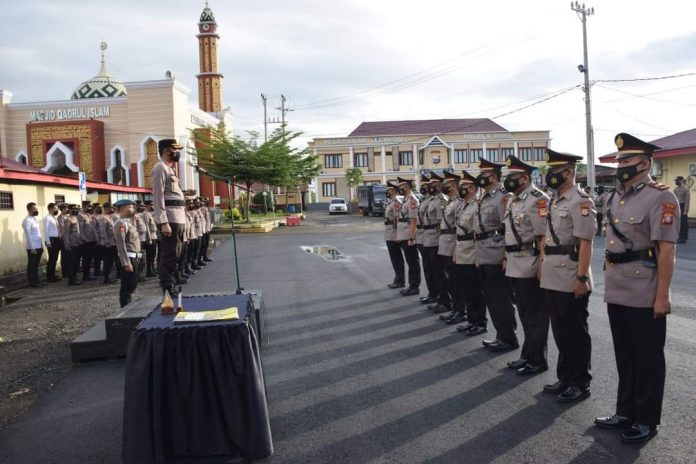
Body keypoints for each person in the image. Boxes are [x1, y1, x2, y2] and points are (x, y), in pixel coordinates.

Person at [594, 133, 679, 444]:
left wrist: (663, 295)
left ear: (645, 163)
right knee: (625, 356)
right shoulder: (616, 196)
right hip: (618, 287)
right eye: (619, 160)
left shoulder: (661, 197)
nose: (621, 165)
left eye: (627, 160)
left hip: (645, 291)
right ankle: (625, 411)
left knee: (648, 359)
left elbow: (666, 251)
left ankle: (646, 419)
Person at [540, 149, 596, 403]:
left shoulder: (580, 200)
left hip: (571, 273)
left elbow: (586, 243)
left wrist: (581, 278)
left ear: (570, 172)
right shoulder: (555, 199)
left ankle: (579, 381)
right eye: (549, 172)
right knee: (560, 330)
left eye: (555, 172)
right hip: (552, 272)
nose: (550, 176)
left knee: (575, 331)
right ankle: (565, 376)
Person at [502, 155, 550, 375]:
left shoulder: (537, 199)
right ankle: (527, 354)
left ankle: (538, 359)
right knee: (524, 313)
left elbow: (543, 237)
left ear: (524, 178)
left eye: (512, 177)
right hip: (514, 263)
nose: (508, 180)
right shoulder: (514, 199)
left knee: (536, 315)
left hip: (530, 262)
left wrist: (542, 264)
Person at [475, 158, 518, 353]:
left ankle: (509, 337)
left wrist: (506, 256)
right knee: (491, 298)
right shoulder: (485, 197)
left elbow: (507, 228)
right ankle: (501, 335)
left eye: (483, 175)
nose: (480, 178)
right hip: (484, 252)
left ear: (492, 176)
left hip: (496, 253)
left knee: (501, 298)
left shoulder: (502, 197)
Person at [453, 171, 487, 336]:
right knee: (467, 289)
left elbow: (478, 232)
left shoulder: (477, 205)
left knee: (475, 290)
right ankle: (471, 320)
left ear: (473, 189)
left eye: (464, 187)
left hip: (472, 252)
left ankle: (480, 322)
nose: (461, 190)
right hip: (461, 250)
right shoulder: (462, 205)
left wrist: (479, 256)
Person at [152, 138, 187, 295]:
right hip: (170, 218)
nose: (177, 153)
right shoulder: (160, 168)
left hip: (178, 217)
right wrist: (163, 221)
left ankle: (172, 281)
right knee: (169, 254)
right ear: (167, 151)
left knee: (176, 253)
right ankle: (167, 286)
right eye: (175, 150)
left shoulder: (170, 168)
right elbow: (158, 196)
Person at [437, 172, 463, 324]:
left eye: (448, 183)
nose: (445, 186)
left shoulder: (459, 202)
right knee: (451, 279)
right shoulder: (450, 201)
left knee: (456, 280)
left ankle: (460, 310)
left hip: (453, 242)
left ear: (454, 185)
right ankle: (455, 308)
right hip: (446, 242)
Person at [113, 199, 142, 308]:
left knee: (132, 285)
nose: (133, 209)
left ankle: (128, 307)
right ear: (122, 209)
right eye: (130, 207)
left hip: (134, 257)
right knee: (127, 287)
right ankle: (125, 309)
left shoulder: (128, 222)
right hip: (128, 259)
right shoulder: (121, 223)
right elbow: (120, 244)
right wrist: (126, 263)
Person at [395, 177, 420, 296]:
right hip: (404, 235)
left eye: (402, 186)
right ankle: (411, 285)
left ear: (407, 187)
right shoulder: (405, 200)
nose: (400, 188)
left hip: (409, 236)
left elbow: (414, 220)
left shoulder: (412, 200)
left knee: (413, 262)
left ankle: (415, 286)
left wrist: (411, 237)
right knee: (410, 262)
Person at [423, 173, 445, 308]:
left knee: (440, 273)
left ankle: (444, 301)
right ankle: (439, 298)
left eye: (434, 185)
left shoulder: (441, 200)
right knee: (434, 271)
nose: (431, 187)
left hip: (437, 239)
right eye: (430, 185)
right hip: (429, 238)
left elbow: (442, 223)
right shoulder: (432, 200)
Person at [416, 175, 437, 303]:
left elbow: (440, 223)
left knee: (434, 270)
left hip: (432, 237)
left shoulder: (434, 200)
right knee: (428, 268)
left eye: (426, 185)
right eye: (422, 185)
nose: (424, 188)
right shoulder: (424, 200)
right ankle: (432, 293)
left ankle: (437, 295)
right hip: (424, 236)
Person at [385, 181, 405, 288]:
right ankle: (397, 278)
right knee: (394, 258)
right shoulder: (391, 202)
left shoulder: (396, 202)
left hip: (394, 233)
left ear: (393, 190)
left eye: (388, 190)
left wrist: (398, 234)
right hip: (389, 232)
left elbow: (398, 218)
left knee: (397, 258)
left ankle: (400, 280)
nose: (387, 192)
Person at [23, 202, 44, 288]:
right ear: (29, 209)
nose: (36, 210)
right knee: (32, 265)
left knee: (36, 265)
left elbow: (37, 233)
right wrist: (32, 248)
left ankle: (37, 281)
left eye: (36, 208)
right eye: (34, 209)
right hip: (32, 247)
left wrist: (41, 245)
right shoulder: (26, 220)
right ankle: (33, 282)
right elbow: (28, 235)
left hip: (38, 245)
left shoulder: (34, 219)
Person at [97, 203, 117, 284]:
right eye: (110, 208)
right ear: (106, 208)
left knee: (111, 261)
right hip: (107, 243)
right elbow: (102, 231)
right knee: (107, 261)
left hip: (113, 242)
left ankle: (110, 275)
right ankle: (106, 277)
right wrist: (106, 242)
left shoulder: (110, 217)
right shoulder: (102, 218)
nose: (112, 209)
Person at [62, 204, 82, 285]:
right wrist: (67, 245)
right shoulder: (68, 219)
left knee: (76, 262)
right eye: (74, 209)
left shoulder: (75, 218)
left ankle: (75, 277)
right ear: (69, 210)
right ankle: (71, 280)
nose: (76, 210)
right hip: (71, 244)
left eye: (76, 209)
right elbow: (66, 234)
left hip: (77, 243)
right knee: (71, 262)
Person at [78, 201, 97, 281]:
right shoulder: (81, 216)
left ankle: (88, 274)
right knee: (86, 259)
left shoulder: (88, 215)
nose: (89, 208)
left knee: (89, 259)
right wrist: (84, 239)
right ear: (84, 206)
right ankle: (85, 275)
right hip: (86, 241)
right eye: (88, 206)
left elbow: (92, 228)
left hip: (91, 240)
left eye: (90, 206)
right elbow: (80, 229)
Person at [43, 202, 61, 283]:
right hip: (51, 239)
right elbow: (46, 230)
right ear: (50, 209)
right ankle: (49, 277)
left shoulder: (54, 217)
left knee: (55, 258)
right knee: (52, 259)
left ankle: (53, 275)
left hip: (56, 239)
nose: (57, 210)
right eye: (55, 208)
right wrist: (48, 241)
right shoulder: (47, 218)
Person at [143, 200, 159, 277]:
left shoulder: (150, 214)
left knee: (153, 254)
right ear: (146, 206)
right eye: (151, 205)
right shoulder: (145, 214)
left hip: (154, 236)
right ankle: (149, 270)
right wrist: (148, 238)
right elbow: (147, 227)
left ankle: (153, 268)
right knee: (149, 255)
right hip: (150, 237)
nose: (152, 206)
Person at [674, 176, 690, 243]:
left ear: (681, 180)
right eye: (675, 181)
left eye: (677, 180)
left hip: (683, 206)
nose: (676, 182)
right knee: (678, 222)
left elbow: (687, 200)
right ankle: (679, 236)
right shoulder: (676, 189)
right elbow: (674, 199)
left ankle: (684, 238)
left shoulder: (686, 189)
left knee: (683, 223)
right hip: (677, 206)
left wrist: (685, 210)